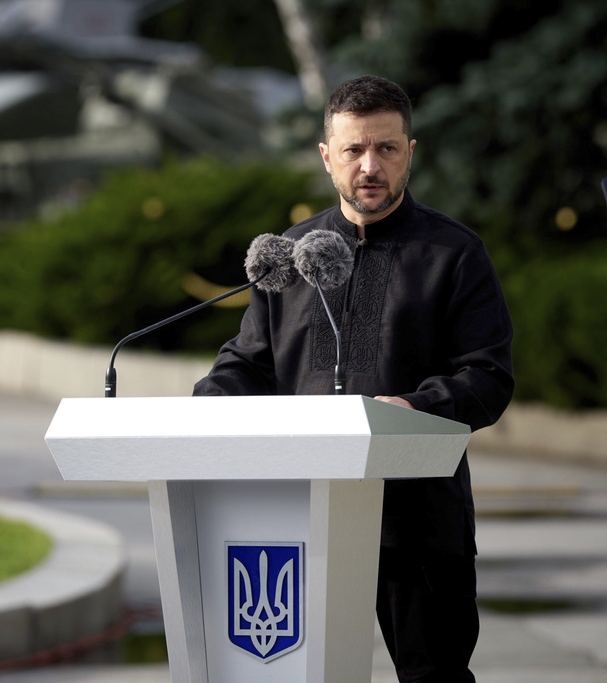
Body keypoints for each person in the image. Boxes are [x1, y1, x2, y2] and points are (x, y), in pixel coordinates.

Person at [193, 75, 514, 682]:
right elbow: (250, 362)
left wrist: (412, 409)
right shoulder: (290, 255)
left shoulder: (455, 253)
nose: (371, 166)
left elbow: (488, 377)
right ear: (326, 156)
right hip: (296, 520)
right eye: (354, 149)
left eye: (387, 148)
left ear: (410, 152)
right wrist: (205, 404)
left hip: (417, 522)